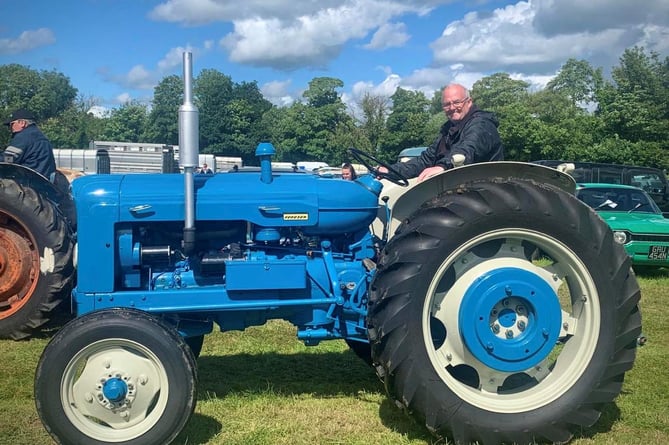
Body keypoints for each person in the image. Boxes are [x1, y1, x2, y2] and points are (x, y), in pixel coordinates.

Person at [380, 83, 503, 182]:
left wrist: (443, 166)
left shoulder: (481, 124)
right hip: (460, 188)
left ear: (469, 102)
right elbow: (425, 160)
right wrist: (390, 170)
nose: (452, 107)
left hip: (484, 189)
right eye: (447, 104)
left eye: (457, 102)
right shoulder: (448, 130)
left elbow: (467, 149)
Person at [2, 108, 57, 181]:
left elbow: (7, 160)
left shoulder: (23, 137)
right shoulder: (41, 136)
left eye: (11, 124)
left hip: (27, 184)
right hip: (44, 183)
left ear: (22, 123)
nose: (10, 128)